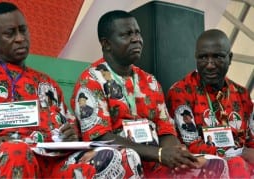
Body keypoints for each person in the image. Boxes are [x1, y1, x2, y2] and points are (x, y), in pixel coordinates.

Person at [0, 2, 143, 178]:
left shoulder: (46, 83)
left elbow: (71, 127)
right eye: (10, 33)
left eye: (23, 30)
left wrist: (72, 133)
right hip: (3, 156)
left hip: (52, 159)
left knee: (122, 156)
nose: (20, 38)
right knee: (16, 152)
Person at [70, 10, 216, 178]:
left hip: (155, 162)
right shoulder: (91, 80)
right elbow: (101, 138)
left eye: (137, 33)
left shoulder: (150, 81)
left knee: (209, 164)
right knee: (128, 159)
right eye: (127, 34)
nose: (136, 39)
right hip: (120, 162)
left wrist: (176, 153)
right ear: (106, 44)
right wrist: (160, 154)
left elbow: (166, 131)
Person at [167, 29, 254, 178]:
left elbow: (251, 141)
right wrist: (240, 153)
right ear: (195, 57)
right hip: (201, 167)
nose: (209, 65)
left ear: (230, 58)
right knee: (236, 164)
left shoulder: (242, 94)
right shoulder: (181, 92)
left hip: (243, 167)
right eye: (203, 57)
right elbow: (192, 145)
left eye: (217, 57)